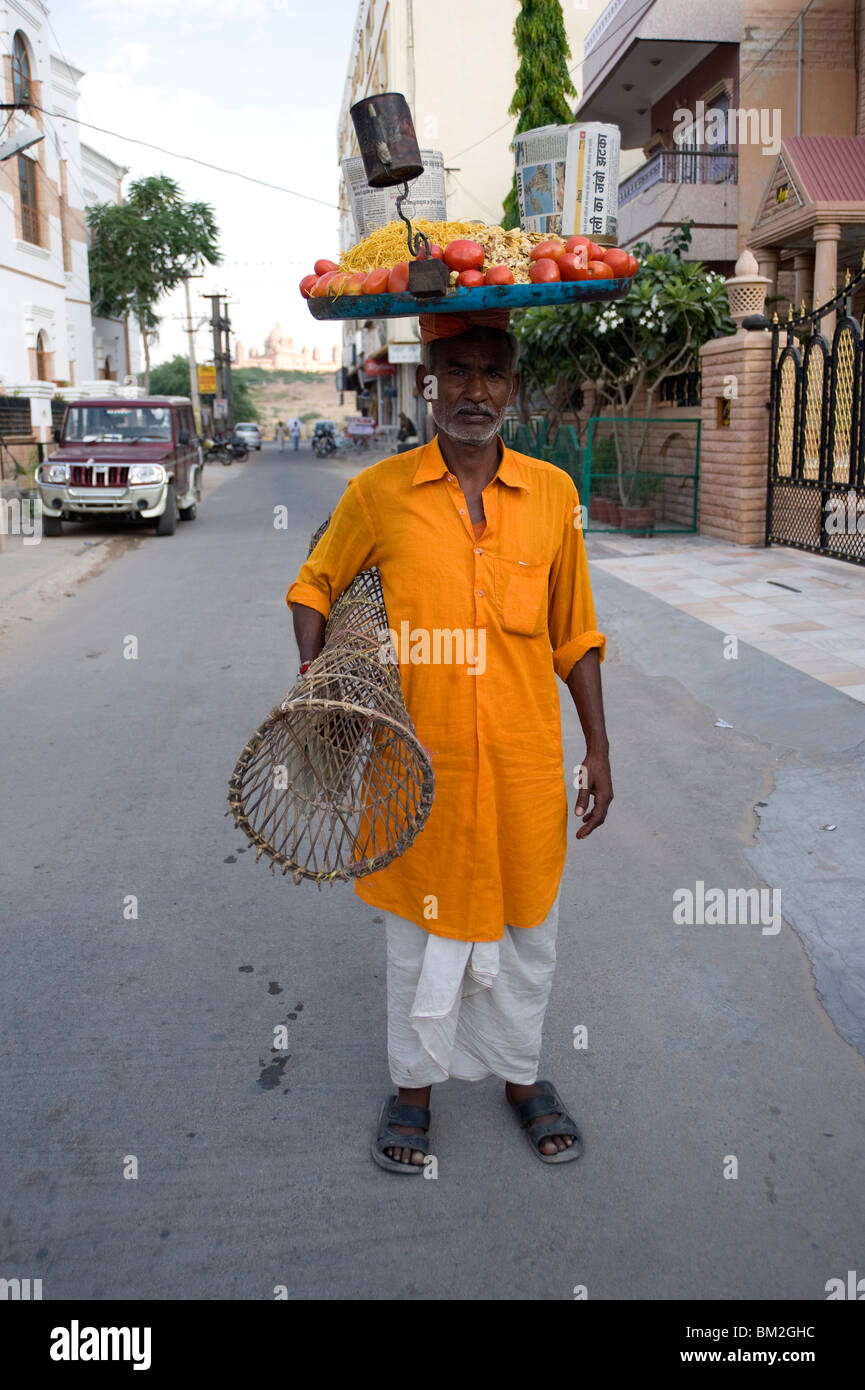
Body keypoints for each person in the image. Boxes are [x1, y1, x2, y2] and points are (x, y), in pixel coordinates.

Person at [286, 308, 612, 1172]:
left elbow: (575, 634)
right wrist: (322, 691)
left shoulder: (551, 497)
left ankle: (519, 1078)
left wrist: (599, 753)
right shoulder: (377, 494)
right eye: (455, 371)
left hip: (523, 771)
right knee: (418, 942)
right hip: (413, 774)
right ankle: (412, 1090)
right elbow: (312, 586)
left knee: (524, 937)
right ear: (427, 381)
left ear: (513, 385)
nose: (474, 391)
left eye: (491, 373)